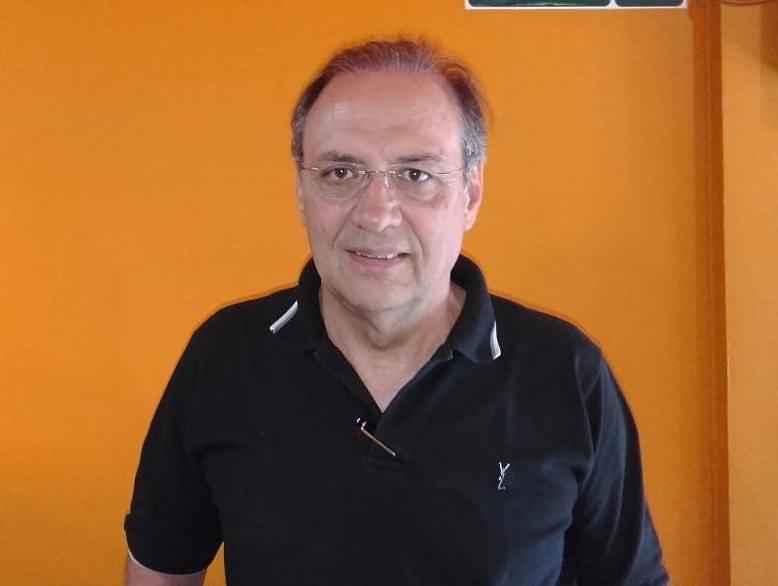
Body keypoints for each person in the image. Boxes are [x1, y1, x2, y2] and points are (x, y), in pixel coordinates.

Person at [124, 38, 668, 585]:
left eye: (415, 175)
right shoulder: (225, 357)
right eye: (341, 173)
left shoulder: (564, 372)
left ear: (471, 193)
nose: (377, 214)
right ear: (302, 191)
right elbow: (162, 569)